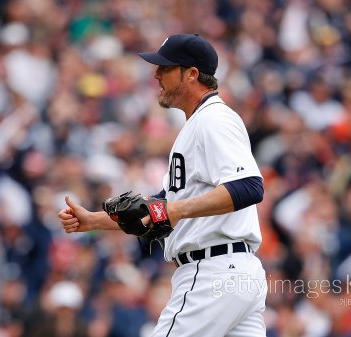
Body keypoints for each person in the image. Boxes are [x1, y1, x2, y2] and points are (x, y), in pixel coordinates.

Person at [59, 33, 267, 337]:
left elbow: (249, 187)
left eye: (166, 68)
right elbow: (156, 209)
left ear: (192, 74)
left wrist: (177, 210)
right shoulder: (197, 124)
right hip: (236, 274)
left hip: (211, 271)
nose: (156, 74)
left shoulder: (214, 119)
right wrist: (93, 221)